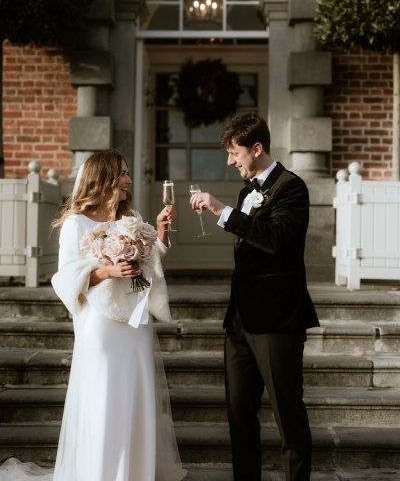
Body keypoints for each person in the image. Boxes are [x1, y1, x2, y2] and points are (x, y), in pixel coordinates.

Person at [0, 149, 187, 481]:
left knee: (135, 395)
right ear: (105, 178)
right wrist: (108, 271)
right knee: (103, 398)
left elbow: (148, 264)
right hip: (100, 324)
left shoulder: (132, 219)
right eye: (124, 173)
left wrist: (160, 232)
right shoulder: (76, 223)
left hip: (134, 321)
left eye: (129, 173)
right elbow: (67, 276)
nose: (129, 179)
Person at [190, 113, 320, 481]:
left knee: (287, 414)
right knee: (239, 415)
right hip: (240, 323)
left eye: (235, 153)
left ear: (257, 148)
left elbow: (275, 239)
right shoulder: (247, 192)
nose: (231, 161)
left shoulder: (291, 187)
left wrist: (220, 210)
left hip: (278, 320)